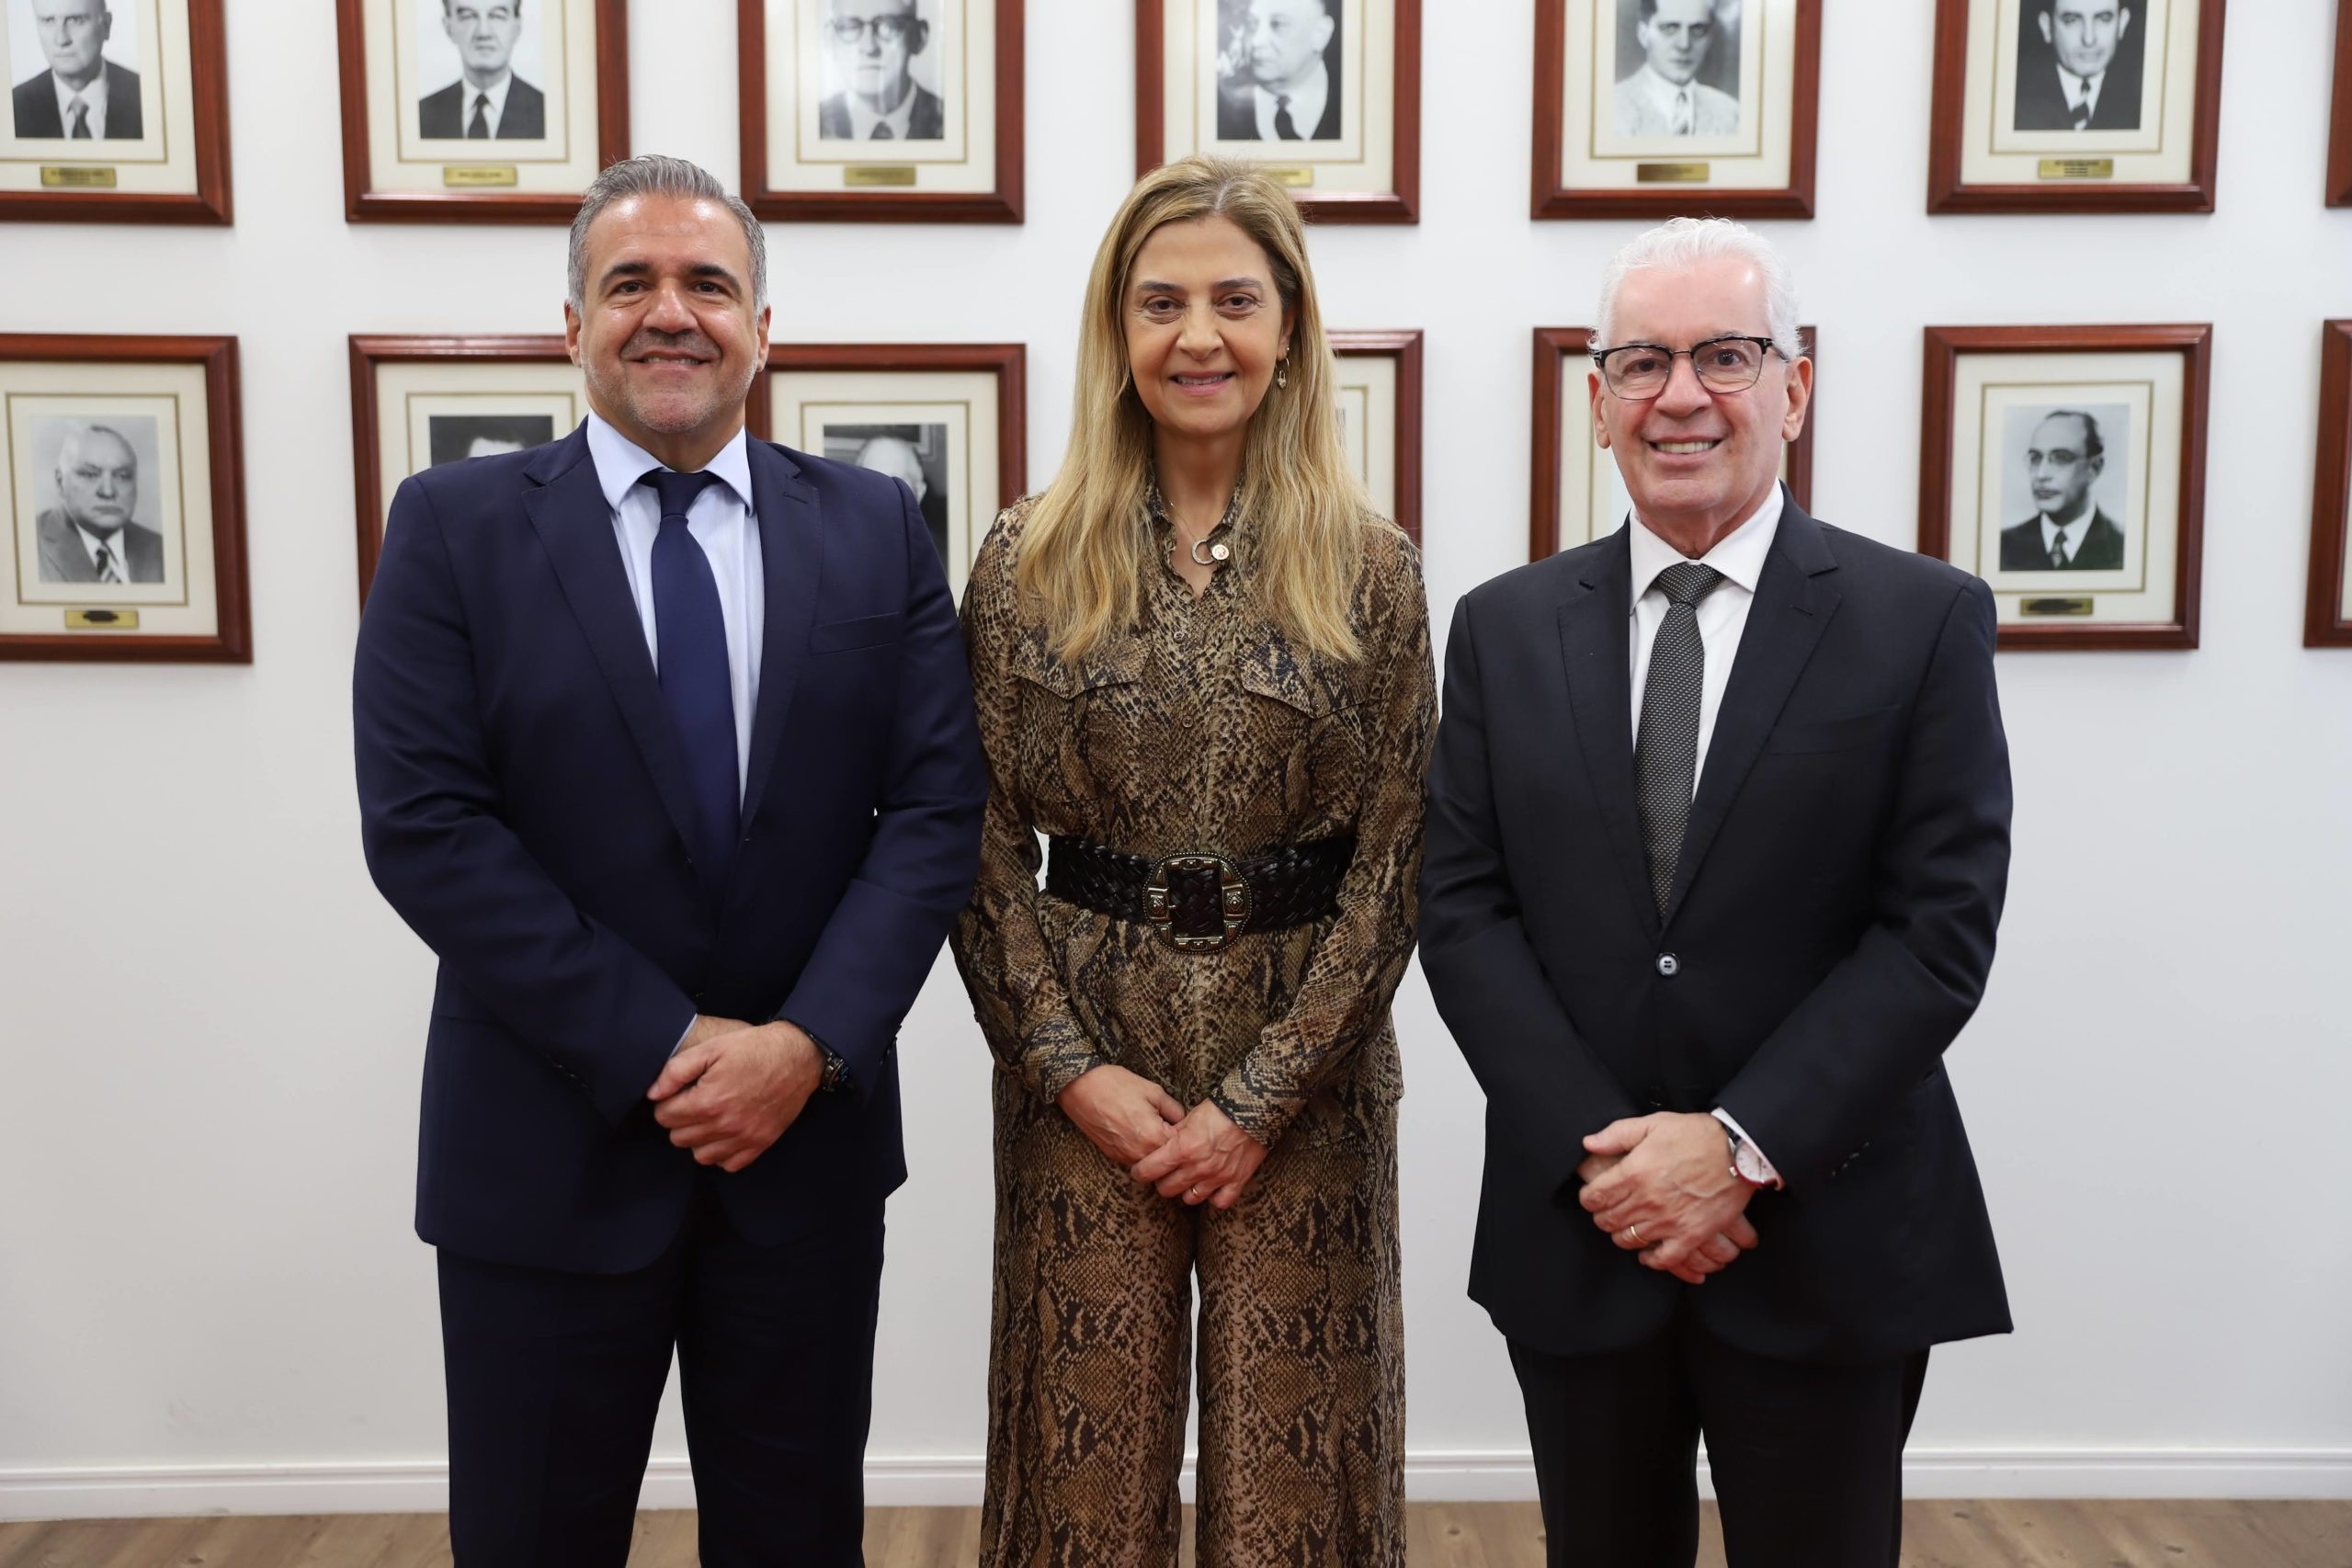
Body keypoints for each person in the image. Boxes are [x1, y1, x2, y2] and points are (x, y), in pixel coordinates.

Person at [352, 153, 986, 1567]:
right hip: (543, 1152)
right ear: (568, 322)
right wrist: (662, 1040)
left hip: (801, 1158)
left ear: (765, 326)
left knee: (793, 1537)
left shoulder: (877, 529)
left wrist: (804, 1045)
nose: (669, 313)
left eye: (709, 282)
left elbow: (938, 810)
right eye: (627, 282)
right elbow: (425, 826)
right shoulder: (452, 530)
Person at [1420, 216, 2013, 1568]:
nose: (1679, 395)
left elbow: (1933, 931)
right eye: (1641, 361)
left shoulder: (1917, 618)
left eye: (1724, 355)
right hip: (1584, 1226)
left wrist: (1733, 1145)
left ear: (1792, 388)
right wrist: (1611, 1154)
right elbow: (1460, 909)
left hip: (1824, 1229)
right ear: (1595, 401)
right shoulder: (1502, 627)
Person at [950, 153, 1429, 1565]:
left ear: (1288, 331)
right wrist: (1067, 1069)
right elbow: (975, 846)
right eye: (1158, 302)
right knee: (1076, 1452)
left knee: (1299, 1455)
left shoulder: (1367, 564)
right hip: (1082, 1040)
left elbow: (1397, 853)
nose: (1196, 336)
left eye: (1233, 300)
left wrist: (1267, 1090)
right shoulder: (1022, 558)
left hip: (1307, 1051)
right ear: (1116, 329)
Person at [36, 424, 163, 584]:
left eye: (123, 476)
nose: (108, 491)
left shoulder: (162, 549)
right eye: (90, 475)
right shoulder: (24, 545)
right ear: (60, 482)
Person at [1999, 410, 2126, 570]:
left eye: (2061, 458)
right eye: (2035, 458)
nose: (2041, 474)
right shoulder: (2003, 545)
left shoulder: (2123, 545)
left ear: (2095, 467)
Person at [13, 0, 142, 140]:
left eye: (75, 20)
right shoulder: (13, 106)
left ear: (106, 25)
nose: (61, 40)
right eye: (48, 20)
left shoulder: (146, 95)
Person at [417, 0, 547, 141]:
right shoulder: (422, 114)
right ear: (448, 27)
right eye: (468, 16)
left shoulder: (548, 113)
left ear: (517, 26)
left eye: (497, 16)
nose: (484, 32)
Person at [817, 0, 945, 141]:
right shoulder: (811, 126)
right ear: (830, 40)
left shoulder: (953, 122)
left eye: (888, 26)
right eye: (850, 27)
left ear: (919, 37)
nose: (868, 47)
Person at [1216, 0, 1341, 142]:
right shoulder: (1215, 108)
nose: (1257, 41)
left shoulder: (1357, 103)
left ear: (1320, 33)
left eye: (1278, 24)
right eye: (1251, 24)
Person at [1614, 0, 1738, 137]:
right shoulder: (1611, 108)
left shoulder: (1732, 113)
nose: (1684, 44)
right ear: (1644, 34)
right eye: (1669, 28)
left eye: (1698, 29)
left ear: (1709, 39)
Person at [2014, 0, 2140, 131]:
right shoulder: (2011, 101)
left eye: (2103, 19)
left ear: (2122, 24)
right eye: (2072, 20)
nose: (2089, 39)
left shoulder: (2146, 103)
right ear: (2047, 27)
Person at [851, 432, 949, 565]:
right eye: (870, 480)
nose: (880, 494)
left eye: (894, 482)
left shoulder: (950, 561)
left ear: (919, 493)